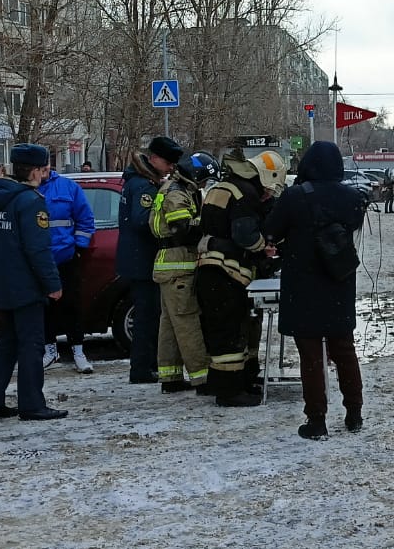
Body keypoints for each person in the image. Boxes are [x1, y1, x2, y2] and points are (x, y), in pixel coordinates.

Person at [262, 141, 369, 439]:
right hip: (339, 282)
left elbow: (272, 230)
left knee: (310, 356)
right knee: (345, 350)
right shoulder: (351, 197)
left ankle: (317, 419)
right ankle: (354, 413)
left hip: (303, 286)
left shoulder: (294, 197)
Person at [0, 143, 66, 422]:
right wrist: (52, 283)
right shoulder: (30, 201)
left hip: (4, 281)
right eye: (45, 168)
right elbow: (38, 249)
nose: (47, 172)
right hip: (27, 285)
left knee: (7, 344)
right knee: (31, 345)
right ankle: (31, 402)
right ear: (36, 171)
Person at [196, 148, 284, 407]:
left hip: (209, 270)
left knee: (222, 330)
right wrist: (264, 248)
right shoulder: (246, 194)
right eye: (270, 189)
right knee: (230, 332)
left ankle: (230, 382)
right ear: (267, 178)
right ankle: (230, 392)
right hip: (226, 273)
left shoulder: (224, 187)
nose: (268, 195)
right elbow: (244, 234)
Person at [117, 135, 182, 384]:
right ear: (154, 159)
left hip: (137, 258)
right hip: (142, 260)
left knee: (147, 314)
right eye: (168, 164)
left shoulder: (137, 179)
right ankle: (142, 369)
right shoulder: (144, 185)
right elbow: (142, 219)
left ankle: (145, 366)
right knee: (147, 316)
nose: (171, 169)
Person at [149, 151, 216, 394]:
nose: (204, 185)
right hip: (178, 264)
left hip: (169, 265)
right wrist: (209, 225)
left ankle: (171, 376)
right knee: (188, 322)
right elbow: (183, 229)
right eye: (204, 180)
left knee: (169, 324)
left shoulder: (174, 188)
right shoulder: (177, 193)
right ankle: (203, 379)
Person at [39, 163, 97, 374]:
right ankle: (49, 350)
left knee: (72, 305)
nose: (41, 170)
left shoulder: (68, 187)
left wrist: (79, 248)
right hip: (41, 260)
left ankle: (78, 352)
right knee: (45, 307)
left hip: (66, 257)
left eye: (44, 165)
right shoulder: (28, 189)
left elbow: (85, 219)